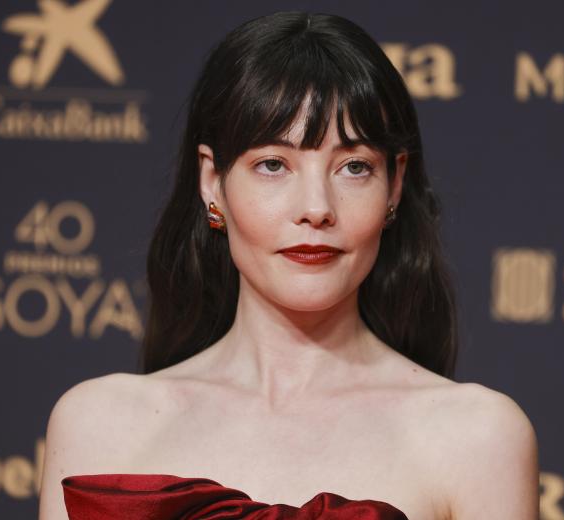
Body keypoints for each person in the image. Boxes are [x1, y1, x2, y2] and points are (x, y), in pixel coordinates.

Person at [38, 11, 538, 520]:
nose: (316, 207)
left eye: (354, 167)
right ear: (213, 181)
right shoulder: (99, 426)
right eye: (273, 165)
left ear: (394, 185)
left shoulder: (477, 436)